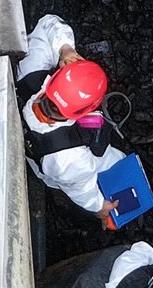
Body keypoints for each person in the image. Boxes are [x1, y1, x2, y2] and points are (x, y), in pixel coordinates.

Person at [15, 14, 127, 226]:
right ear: (85, 112)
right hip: (53, 169)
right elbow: (80, 187)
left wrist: (65, 49)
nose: (49, 106)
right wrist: (98, 206)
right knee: (115, 163)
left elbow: (48, 23)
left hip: (36, 142)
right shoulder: (69, 158)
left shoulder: (30, 74)